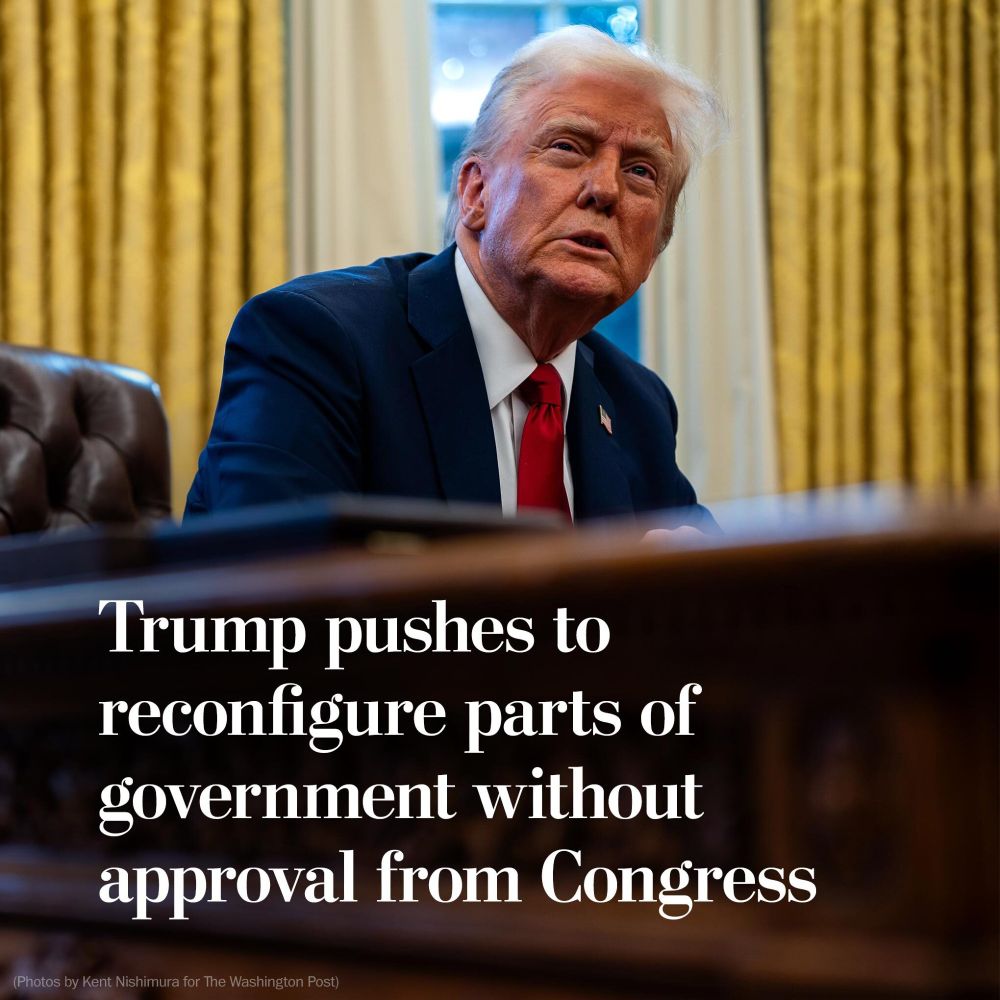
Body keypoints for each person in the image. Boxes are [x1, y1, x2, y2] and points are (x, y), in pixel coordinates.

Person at [185, 26, 725, 526]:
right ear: (474, 192)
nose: (605, 189)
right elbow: (273, 600)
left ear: (655, 245)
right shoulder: (316, 342)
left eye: (640, 172)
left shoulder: (637, 405)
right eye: (567, 147)